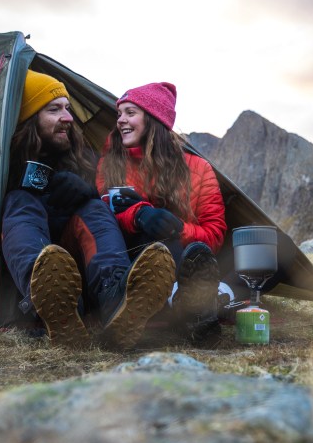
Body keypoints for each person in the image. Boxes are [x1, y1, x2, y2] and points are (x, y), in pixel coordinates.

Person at [1, 69, 175, 350]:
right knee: (19, 202)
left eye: (68, 109)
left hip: (82, 269)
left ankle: (116, 300)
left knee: (94, 207)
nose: (68, 118)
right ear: (30, 117)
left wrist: (88, 191)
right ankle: (49, 301)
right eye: (54, 109)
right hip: (33, 260)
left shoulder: (84, 157)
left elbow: (114, 201)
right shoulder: (2, 165)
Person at [96, 81, 227, 339]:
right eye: (119, 113)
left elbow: (216, 233)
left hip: (179, 255)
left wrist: (179, 228)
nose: (120, 120)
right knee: (149, 240)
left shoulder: (199, 169)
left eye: (130, 113)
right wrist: (140, 215)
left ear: (154, 119)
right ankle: (188, 308)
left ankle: (188, 305)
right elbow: (101, 212)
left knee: (177, 245)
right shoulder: (109, 164)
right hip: (129, 256)